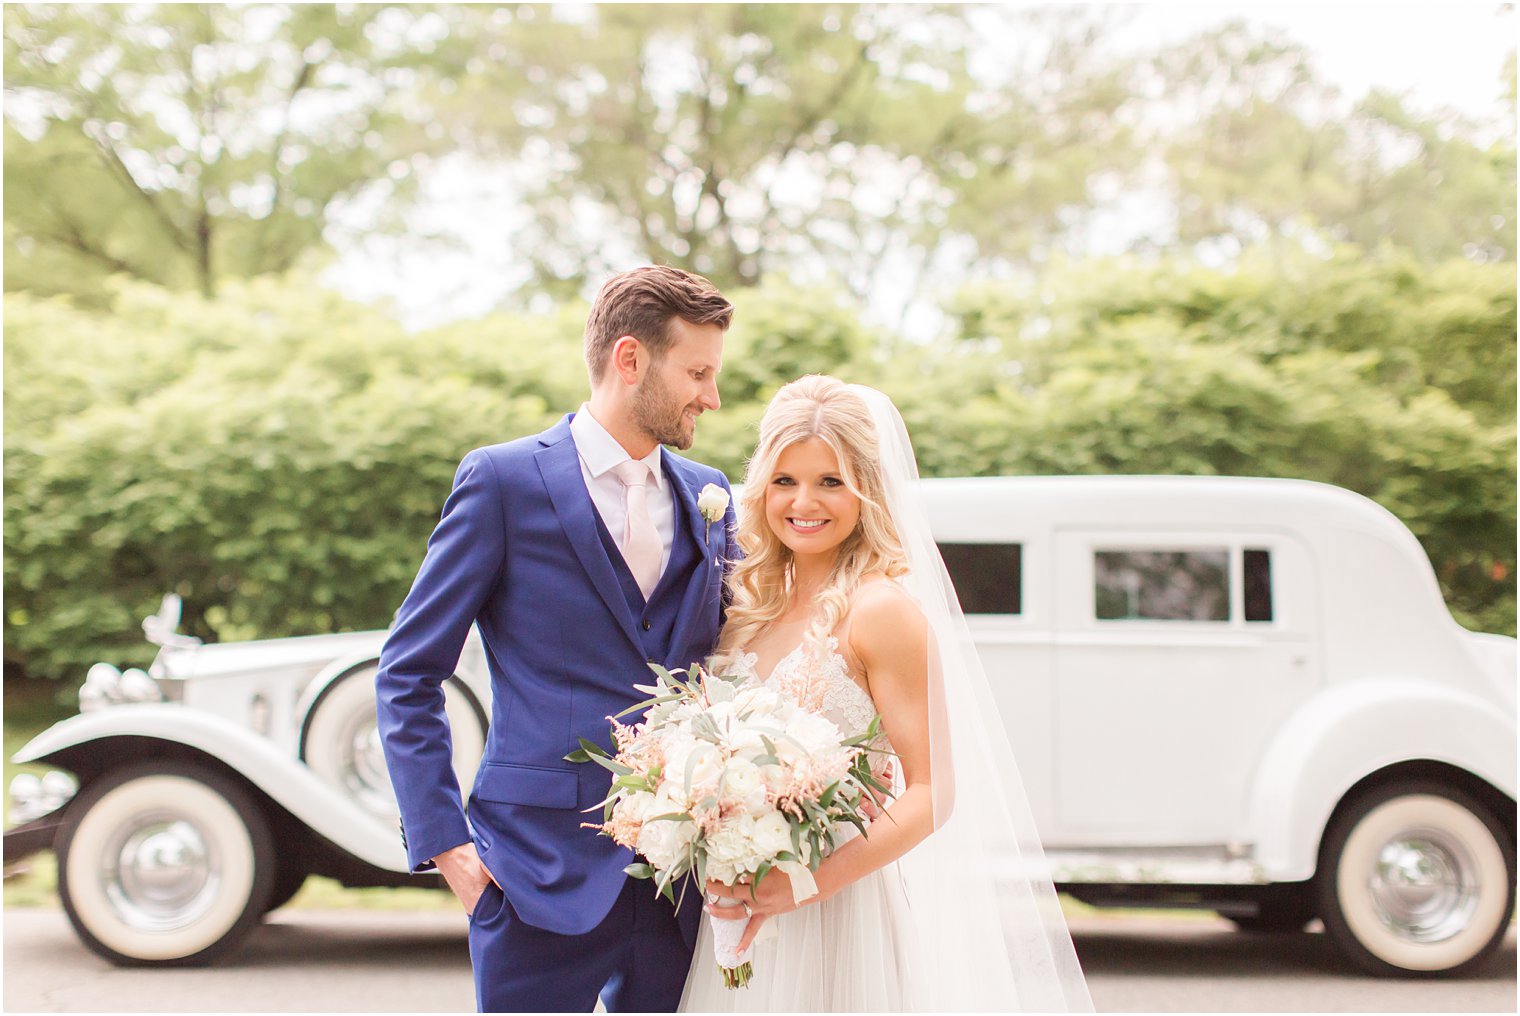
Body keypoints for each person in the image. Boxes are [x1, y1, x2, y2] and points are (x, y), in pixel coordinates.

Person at [375, 266, 738, 1013]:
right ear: (629, 360)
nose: (712, 396)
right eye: (697, 372)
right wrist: (450, 850)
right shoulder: (503, 483)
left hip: (683, 880)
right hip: (534, 872)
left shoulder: (712, 495)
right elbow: (408, 673)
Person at [680, 375, 1092, 1012]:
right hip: (736, 910)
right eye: (786, 481)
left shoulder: (883, 612)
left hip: (840, 918)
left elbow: (932, 792)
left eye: (830, 481)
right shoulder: (745, 609)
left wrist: (808, 885)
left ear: (866, 490)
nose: (804, 502)